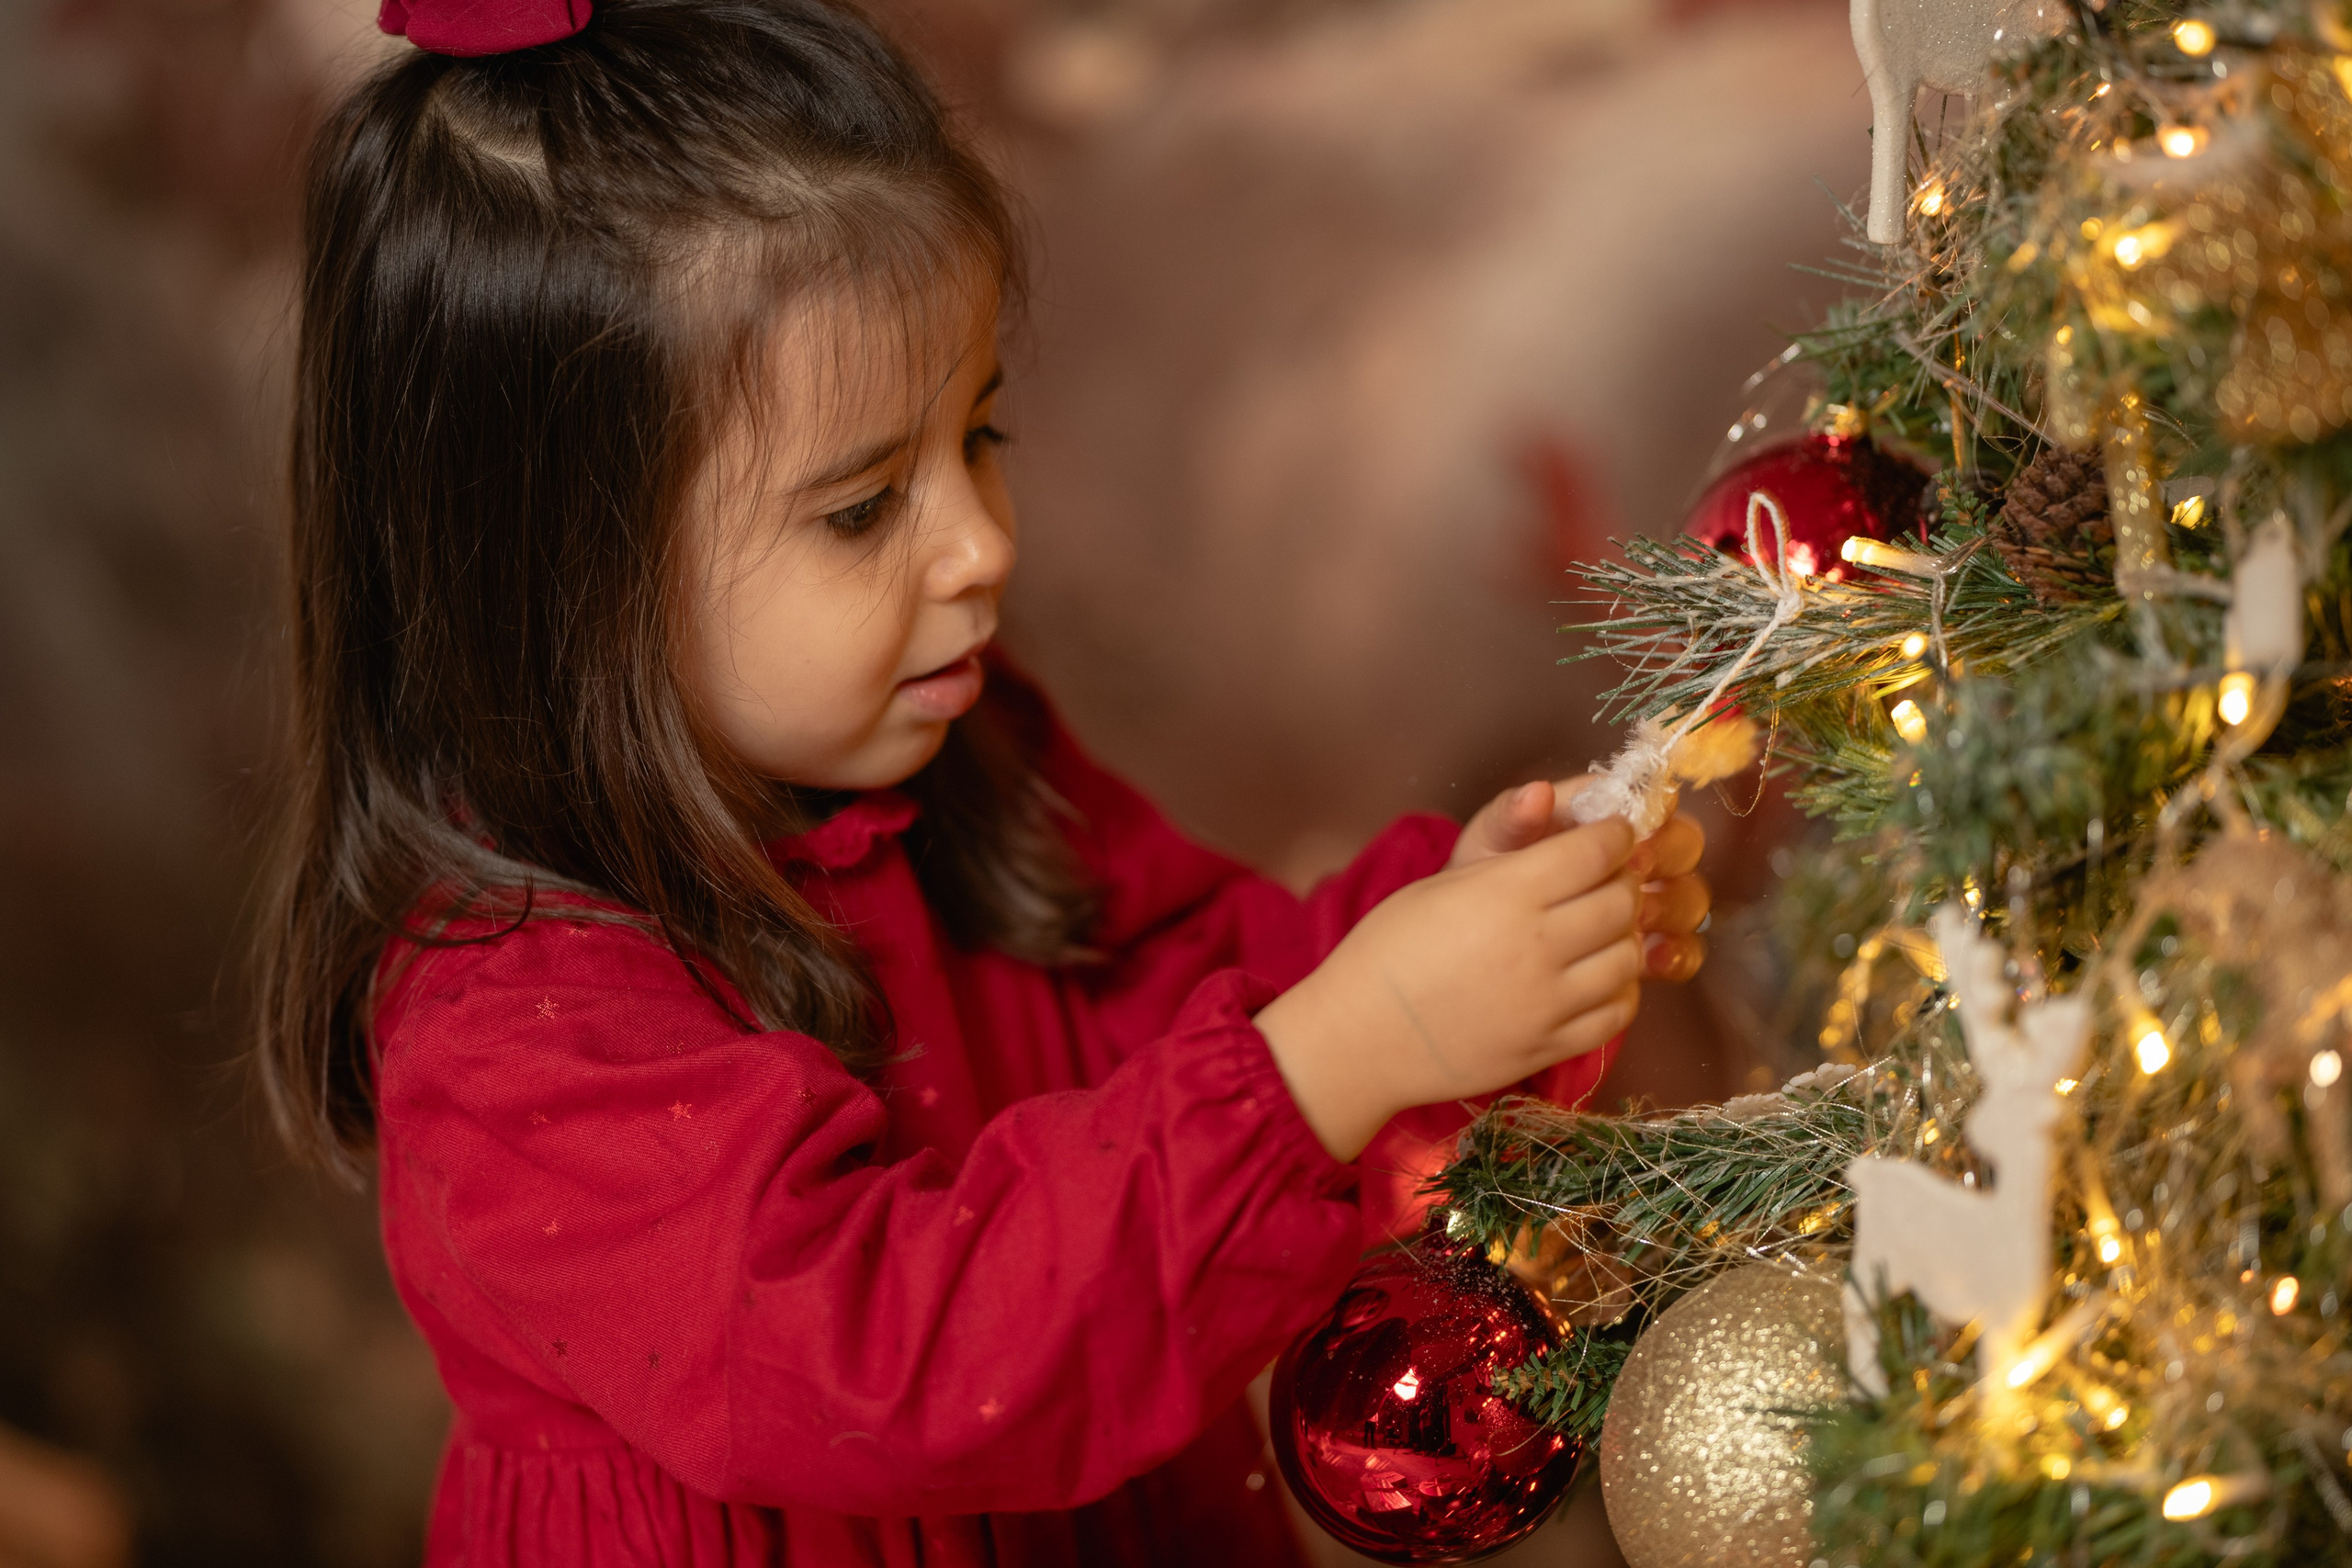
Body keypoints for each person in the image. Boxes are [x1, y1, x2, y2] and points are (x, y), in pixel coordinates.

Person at [249, 0, 1712, 1561]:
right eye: (865, 509)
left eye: (979, 435)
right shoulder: (514, 1035)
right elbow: (905, 1366)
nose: (984, 545)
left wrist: (1457, 936)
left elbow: (1193, 997)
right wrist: (1359, 1037)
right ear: (560, 580)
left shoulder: (956, 749)